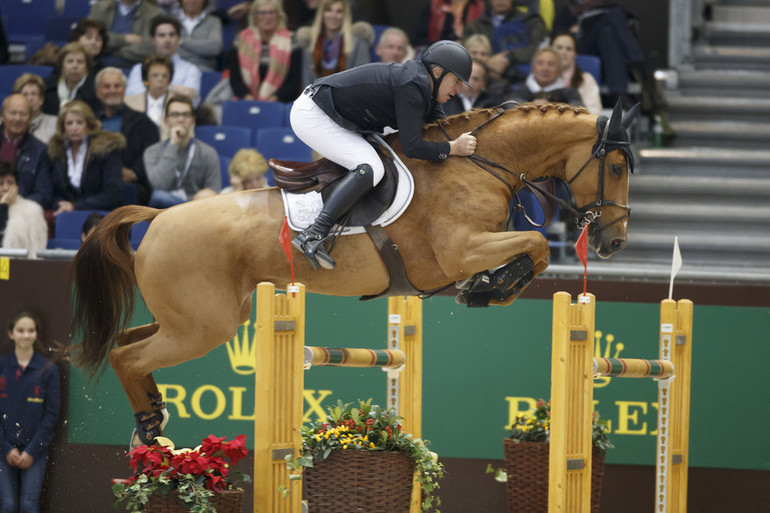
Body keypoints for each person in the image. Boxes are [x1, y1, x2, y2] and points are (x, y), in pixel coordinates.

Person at [289, 40, 478, 270]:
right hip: (314, 115)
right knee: (370, 167)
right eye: (456, 81)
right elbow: (413, 147)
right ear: (438, 72)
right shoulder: (412, 84)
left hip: (337, 116)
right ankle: (314, 232)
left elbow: (442, 126)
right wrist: (452, 148)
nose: (459, 90)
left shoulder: (425, 88)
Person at [0, 311, 61, 513]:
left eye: (30, 330)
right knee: (8, 505)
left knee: (28, 505)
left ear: (36, 334)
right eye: (20, 330)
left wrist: (31, 451)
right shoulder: (1, 366)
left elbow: (51, 414)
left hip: (35, 450)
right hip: (3, 449)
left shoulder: (48, 370)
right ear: (11, 334)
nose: (26, 335)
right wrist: (6, 448)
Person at [95, 67, 159, 205]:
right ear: (98, 92)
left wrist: (134, 173)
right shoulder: (88, 123)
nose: (112, 91)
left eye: (117, 86)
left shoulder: (143, 122)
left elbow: (152, 154)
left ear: (124, 90)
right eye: (106, 86)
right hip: (94, 182)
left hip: (131, 184)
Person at [143, 95, 221, 208]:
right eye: (175, 115)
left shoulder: (208, 152)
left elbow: (214, 192)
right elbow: (160, 184)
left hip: (196, 209)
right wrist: (173, 144)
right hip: (163, 211)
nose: (181, 119)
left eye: (186, 115)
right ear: (166, 120)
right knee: (159, 196)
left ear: (193, 120)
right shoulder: (152, 152)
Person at [49, 101, 126, 213]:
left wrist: (76, 206)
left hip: (102, 213)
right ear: (63, 127)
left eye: (79, 123)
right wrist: (61, 203)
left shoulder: (105, 150)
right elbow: (52, 191)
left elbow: (113, 194)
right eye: (69, 123)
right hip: (67, 213)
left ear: (89, 126)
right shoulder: (56, 152)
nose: (74, 128)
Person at [223, 0, 304, 102]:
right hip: (245, 100)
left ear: (279, 15)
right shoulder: (241, 39)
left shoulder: (291, 39)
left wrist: (273, 99)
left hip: (280, 102)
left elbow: (293, 81)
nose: (268, 17)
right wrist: (248, 97)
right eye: (262, 13)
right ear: (255, 17)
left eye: (272, 12)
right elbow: (235, 79)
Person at [463, 0, 548, 83]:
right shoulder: (475, 26)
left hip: (520, 78)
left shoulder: (531, 22)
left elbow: (538, 48)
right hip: (482, 80)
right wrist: (489, 65)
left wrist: (508, 58)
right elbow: (465, 54)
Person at [126, 15, 203, 105]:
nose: (167, 40)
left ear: (179, 38)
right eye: (161, 35)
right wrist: (173, 89)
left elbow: (191, 102)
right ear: (153, 40)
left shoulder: (190, 69)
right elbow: (132, 98)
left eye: (172, 35)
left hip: (176, 117)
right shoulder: (138, 69)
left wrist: (151, 86)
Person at [0, 95, 53, 209]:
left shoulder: (41, 150)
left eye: (23, 114)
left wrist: (14, 203)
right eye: (12, 113)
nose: (17, 118)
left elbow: (43, 194)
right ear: (3, 116)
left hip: (22, 213)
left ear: (30, 118)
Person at [301, 0, 371, 86]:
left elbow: (363, 80)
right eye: (329, 10)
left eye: (339, 11)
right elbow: (307, 84)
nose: (333, 16)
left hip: (350, 97)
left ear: (345, 15)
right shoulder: (309, 43)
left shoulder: (358, 43)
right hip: (317, 98)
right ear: (322, 14)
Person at [88, 0, 163, 67]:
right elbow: (89, 40)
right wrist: (125, 39)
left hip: (137, 70)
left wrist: (108, 50)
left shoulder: (153, 13)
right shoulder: (100, 7)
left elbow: (148, 49)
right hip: (98, 67)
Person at [0, 162, 48, 258]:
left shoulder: (32, 210)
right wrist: (3, 209)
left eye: (10, 182)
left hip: (21, 269)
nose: (6, 188)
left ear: (17, 186)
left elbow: (37, 251)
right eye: (1, 183)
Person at [508, 46, 583, 106]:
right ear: (533, 68)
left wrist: (552, 108)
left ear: (559, 71)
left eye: (551, 64)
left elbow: (579, 113)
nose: (545, 68)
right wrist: (531, 106)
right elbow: (511, 110)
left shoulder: (571, 94)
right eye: (540, 63)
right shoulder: (521, 91)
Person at [41, 43, 101, 117]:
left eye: (80, 62)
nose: (75, 66)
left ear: (87, 67)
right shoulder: (47, 85)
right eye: (70, 61)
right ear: (62, 65)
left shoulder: (95, 89)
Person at [552, 32, 601, 114]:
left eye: (569, 49)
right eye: (559, 48)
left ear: (575, 55)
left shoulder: (587, 79)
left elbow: (595, 111)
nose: (564, 52)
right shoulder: (539, 78)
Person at [124, 55, 174, 136]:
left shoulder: (181, 103)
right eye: (155, 75)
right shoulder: (129, 102)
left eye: (165, 76)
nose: (160, 79)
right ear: (145, 79)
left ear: (169, 80)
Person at [175, 0, 223, 72]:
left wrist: (181, 41)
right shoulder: (171, 20)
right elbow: (165, 49)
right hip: (174, 68)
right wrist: (200, 50)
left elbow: (214, 48)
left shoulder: (214, 21)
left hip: (204, 70)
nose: (193, 1)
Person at [12, 74, 58, 145]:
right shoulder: (7, 124)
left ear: (41, 99)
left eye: (34, 94)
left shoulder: (55, 123)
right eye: (25, 94)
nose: (30, 98)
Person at [416, 0, 486, 45]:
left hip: (468, 51)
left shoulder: (479, 7)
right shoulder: (434, 5)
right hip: (437, 49)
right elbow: (418, 39)